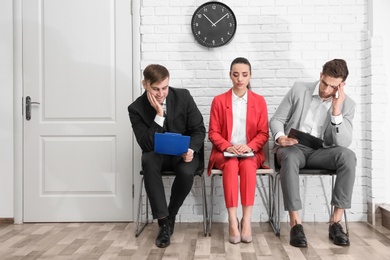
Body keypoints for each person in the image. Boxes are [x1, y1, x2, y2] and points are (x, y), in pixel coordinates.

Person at [270, 59, 356, 247]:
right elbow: (277, 119)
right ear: (320, 75)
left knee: (348, 156)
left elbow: (343, 142)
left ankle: (335, 222)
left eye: (333, 86)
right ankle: (295, 223)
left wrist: (336, 110)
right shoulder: (300, 89)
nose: (326, 90)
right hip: (293, 147)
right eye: (324, 83)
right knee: (290, 156)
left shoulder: (347, 105)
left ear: (341, 86)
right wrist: (280, 137)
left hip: (321, 152)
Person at [128, 64, 205, 248]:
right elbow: (146, 145)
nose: (161, 93)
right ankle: (163, 223)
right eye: (156, 89)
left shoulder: (183, 97)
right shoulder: (136, 109)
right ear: (144, 84)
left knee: (187, 172)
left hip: (183, 154)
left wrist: (191, 150)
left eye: (165, 88)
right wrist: (159, 115)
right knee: (148, 159)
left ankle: (170, 214)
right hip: (158, 156)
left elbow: (199, 129)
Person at [207, 57, 269, 244]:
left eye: (244, 75)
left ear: (250, 76)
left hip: (251, 152)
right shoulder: (219, 101)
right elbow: (213, 132)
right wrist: (228, 146)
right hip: (224, 152)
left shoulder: (259, 101)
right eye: (235, 75)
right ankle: (233, 220)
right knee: (232, 166)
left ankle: (246, 220)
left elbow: (263, 133)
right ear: (230, 76)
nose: (240, 79)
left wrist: (249, 146)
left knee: (249, 166)